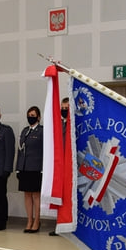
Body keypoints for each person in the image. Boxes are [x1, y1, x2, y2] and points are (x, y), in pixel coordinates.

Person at [17, 106, 44, 233]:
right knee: (27, 195)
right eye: (29, 115)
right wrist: (18, 168)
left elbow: (46, 151)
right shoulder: (24, 131)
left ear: (38, 117)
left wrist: (44, 168)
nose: (30, 117)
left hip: (36, 168)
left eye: (33, 115)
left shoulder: (42, 131)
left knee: (36, 196)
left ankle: (37, 221)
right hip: (24, 168)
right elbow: (20, 150)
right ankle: (29, 220)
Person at [49, 97, 70, 237]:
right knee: (59, 196)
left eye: (66, 108)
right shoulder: (57, 124)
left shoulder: (74, 124)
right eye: (62, 108)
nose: (64, 110)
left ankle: (70, 226)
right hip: (59, 164)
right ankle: (60, 224)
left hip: (71, 166)